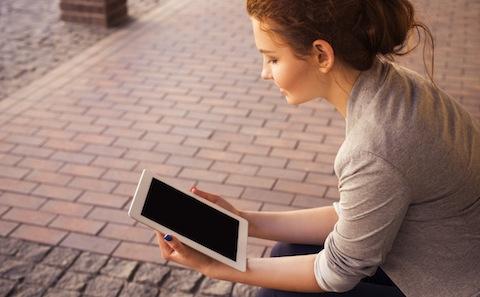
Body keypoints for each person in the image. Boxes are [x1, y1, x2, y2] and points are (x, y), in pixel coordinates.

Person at [155, 1, 480, 296]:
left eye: (272, 58)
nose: (264, 73)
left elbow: (336, 273)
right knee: (287, 251)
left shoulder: (374, 145)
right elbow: (358, 211)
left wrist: (218, 268)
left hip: (449, 284)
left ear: (322, 55)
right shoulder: (393, 87)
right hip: (440, 259)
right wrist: (245, 221)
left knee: (280, 293)